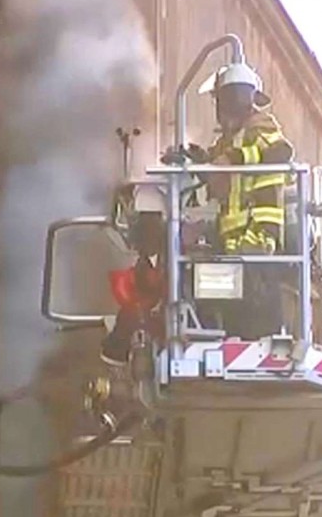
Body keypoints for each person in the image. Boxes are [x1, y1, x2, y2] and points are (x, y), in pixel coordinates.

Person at [178, 61, 296, 340]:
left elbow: (281, 152)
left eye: (224, 101)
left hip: (258, 234)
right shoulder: (228, 141)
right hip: (232, 238)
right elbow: (221, 180)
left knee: (256, 300)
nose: (222, 111)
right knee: (226, 301)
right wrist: (200, 162)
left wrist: (234, 159)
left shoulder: (261, 125)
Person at [100, 212, 166, 367]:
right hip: (151, 320)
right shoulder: (138, 268)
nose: (150, 240)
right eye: (146, 236)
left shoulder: (164, 260)